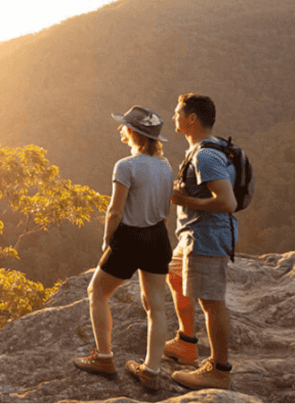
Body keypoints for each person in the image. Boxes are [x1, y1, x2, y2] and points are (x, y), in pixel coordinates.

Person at [73, 106, 174, 390]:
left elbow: (115, 211)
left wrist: (108, 240)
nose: (120, 129)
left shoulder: (126, 166)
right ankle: (151, 371)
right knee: (155, 306)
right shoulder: (165, 166)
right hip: (157, 237)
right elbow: (165, 210)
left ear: (133, 132)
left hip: (129, 238)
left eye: (124, 126)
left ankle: (104, 357)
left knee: (97, 292)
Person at [164, 93, 237, 390]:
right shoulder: (208, 148)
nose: (173, 118)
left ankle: (219, 370)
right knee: (174, 274)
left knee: (211, 302)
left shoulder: (205, 155)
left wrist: (184, 199)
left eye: (177, 113)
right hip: (192, 235)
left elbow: (227, 202)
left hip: (207, 236)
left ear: (191, 118)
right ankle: (186, 343)